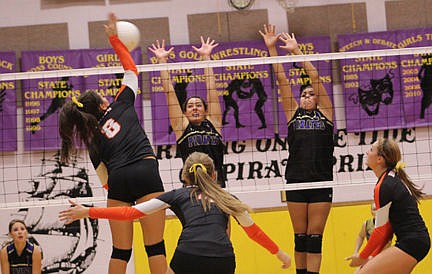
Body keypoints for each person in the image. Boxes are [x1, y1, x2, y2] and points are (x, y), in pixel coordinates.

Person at [59, 152, 292, 274]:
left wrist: (88, 211)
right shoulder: (227, 198)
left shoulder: (178, 195)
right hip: (223, 259)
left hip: (189, 254)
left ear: (185, 176)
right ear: (213, 175)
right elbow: (254, 232)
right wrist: (280, 253)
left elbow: (131, 213)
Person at [58, 13, 166, 274]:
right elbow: (131, 70)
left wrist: (120, 190)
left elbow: (104, 180)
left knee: (121, 251)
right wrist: (114, 39)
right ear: (104, 104)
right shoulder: (122, 104)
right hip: (144, 171)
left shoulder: (92, 138)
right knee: (155, 247)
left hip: (118, 180)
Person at [259, 24, 334, 274]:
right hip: (296, 180)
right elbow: (281, 79)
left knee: (315, 237)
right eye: (304, 95)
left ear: (318, 99)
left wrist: (297, 52)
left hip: (321, 181)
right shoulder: (293, 113)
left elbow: (315, 78)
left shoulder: (326, 114)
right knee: (300, 236)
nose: (307, 97)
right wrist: (272, 49)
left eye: (311, 95)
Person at [148, 37, 226, 187]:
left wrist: (206, 57)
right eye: (190, 106)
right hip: (192, 186)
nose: (195, 108)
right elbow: (169, 92)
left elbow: (211, 87)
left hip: (217, 184)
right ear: (184, 113)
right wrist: (162, 61)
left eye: (198, 105)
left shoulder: (214, 123)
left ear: (205, 111)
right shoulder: (181, 126)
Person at [345, 138, 430, 274]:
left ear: (380, 159)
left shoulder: (385, 185)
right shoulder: (391, 179)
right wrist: (372, 256)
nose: (367, 152)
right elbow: (387, 229)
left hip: (411, 242)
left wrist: (362, 257)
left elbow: (380, 230)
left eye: (371, 149)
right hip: (415, 242)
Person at [345, 203, 391, 273]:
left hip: (384, 257)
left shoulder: (388, 224)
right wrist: (356, 251)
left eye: (379, 209)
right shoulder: (367, 224)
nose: (377, 211)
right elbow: (360, 236)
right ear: (371, 212)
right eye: (374, 209)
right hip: (370, 257)